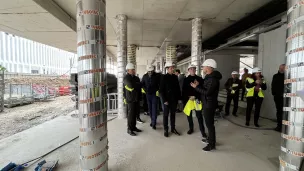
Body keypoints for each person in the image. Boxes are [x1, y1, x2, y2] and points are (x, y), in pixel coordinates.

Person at [190, 59, 222, 151]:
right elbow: (206, 88)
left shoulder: (212, 79)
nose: (203, 68)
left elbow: (207, 92)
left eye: (204, 66)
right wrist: (199, 85)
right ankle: (211, 140)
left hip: (209, 104)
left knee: (209, 124)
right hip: (207, 103)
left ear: (208, 67)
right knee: (209, 124)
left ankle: (212, 144)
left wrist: (196, 87)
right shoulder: (209, 77)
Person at [182, 64, 207, 139]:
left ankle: (202, 131)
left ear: (195, 70)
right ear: (188, 70)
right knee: (189, 115)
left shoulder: (199, 79)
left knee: (199, 116)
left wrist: (196, 96)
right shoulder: (186, 80)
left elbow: (203, 90)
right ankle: (191, 128)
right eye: (191, 69)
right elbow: (184, 90)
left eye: (194, 69)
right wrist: (189, 97)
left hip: (197, 99)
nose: (192, 70)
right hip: (189, 100)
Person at [160, 62, 181, 137]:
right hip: (166, 100)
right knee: (165, 115)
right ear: (167, 69)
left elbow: (178, 88)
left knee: (173, 114)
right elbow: (161, 90)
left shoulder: (175, 77)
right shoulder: (164, 77)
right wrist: (164, 100)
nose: (173, 69)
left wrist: (179, 98)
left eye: (173, 67)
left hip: (174, 100)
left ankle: (173, 128)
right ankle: (166, 129)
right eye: (171, 68)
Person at [123, 63, 142, 136]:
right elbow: (130, 86)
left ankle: (134, 127)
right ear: (128, 70)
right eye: (132, 69)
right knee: (130, 115)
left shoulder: (136, 78)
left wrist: (136, 86)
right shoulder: (126, 78)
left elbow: (139, 86)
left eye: (134, 69)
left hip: (136, 98)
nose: (134, 70)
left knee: (135, 114)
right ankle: (129, 129)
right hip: (130, 99)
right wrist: (136, 85)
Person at [141, 65, 161, 130]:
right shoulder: (145, 76)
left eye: (151, 71)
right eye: (149, 71)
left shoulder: (157, 76)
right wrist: (145, 90)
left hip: (154, 94)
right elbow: (142, 84)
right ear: (147, 71)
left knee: (154, 108)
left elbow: (160, 84)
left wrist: (158, 90)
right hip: (148, 95)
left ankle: (154, 123)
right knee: (150, 108)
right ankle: (152, 120)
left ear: (153, 70)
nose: (150, 73)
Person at [272, 64, 285, 132]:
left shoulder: (287, 77)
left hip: (286, 98)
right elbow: (273, 85)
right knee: (279, 111)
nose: (281, 69)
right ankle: (279, 126)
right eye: (280, 68)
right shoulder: (275, 76)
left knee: (286, 112)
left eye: (283, 68)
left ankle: (285, 126)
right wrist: (274, 94)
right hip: (277, 97)